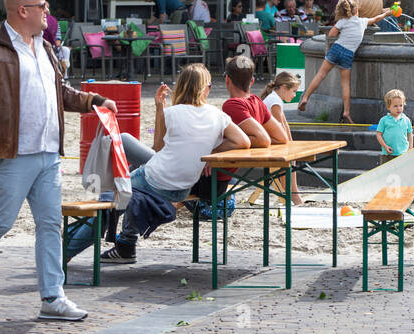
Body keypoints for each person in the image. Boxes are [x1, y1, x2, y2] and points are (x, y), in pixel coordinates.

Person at [0, 0, 118, 324]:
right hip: (10, 154)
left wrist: (93, 101)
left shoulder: (46, 47)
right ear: (23, 10)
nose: (47, 11)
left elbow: (59, 92)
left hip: (48, 153)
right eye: (42, 5)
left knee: (50, 224)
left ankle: (52, 296)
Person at [85, 65, 251, 263]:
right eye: (209, 86)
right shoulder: (217, 115)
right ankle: (124, 243)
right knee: (130, 161)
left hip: (163, 178)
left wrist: (160, 109)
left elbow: (157, 146)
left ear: (181, 87)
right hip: (182, 183)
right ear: (204, 89)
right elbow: (243, 141)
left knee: (122, 188)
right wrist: (210, 154)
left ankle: (117, 243)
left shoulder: (173, 113)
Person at [295, 0, 392, 123]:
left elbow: (331, 34)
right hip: (348, 54)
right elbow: (377, 18)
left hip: (336, 48)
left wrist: (342, 33)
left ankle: (306, 97)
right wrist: (387, 13)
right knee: (345, 84)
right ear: (357, 9)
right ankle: (346, 112)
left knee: (320, 75)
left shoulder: (343, 21)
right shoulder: (362, 21)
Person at [222, 55, 298, 204]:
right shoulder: (256, 101)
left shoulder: (232, 105)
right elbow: (281, 137)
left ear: (227, 80)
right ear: (252, 81)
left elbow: (263, 139)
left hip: (223, 171)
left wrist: (240, 142)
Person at [375, 89, 412, 160]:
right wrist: (385, 146)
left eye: (401, 105)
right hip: (388, 154)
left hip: (403, 153)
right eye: (395, 106)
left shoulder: (406, 120)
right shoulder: (384, 120)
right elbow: (378, 134)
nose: (398, 108)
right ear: (388, 107)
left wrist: (410, 148)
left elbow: (410, 134)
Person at [260, 71, 300, 136]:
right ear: (284, 88)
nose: (295, 95)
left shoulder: (276, 98)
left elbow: (285, 124)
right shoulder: (275, 101)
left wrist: (291, 143)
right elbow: (280, 127)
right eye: (294, 91)